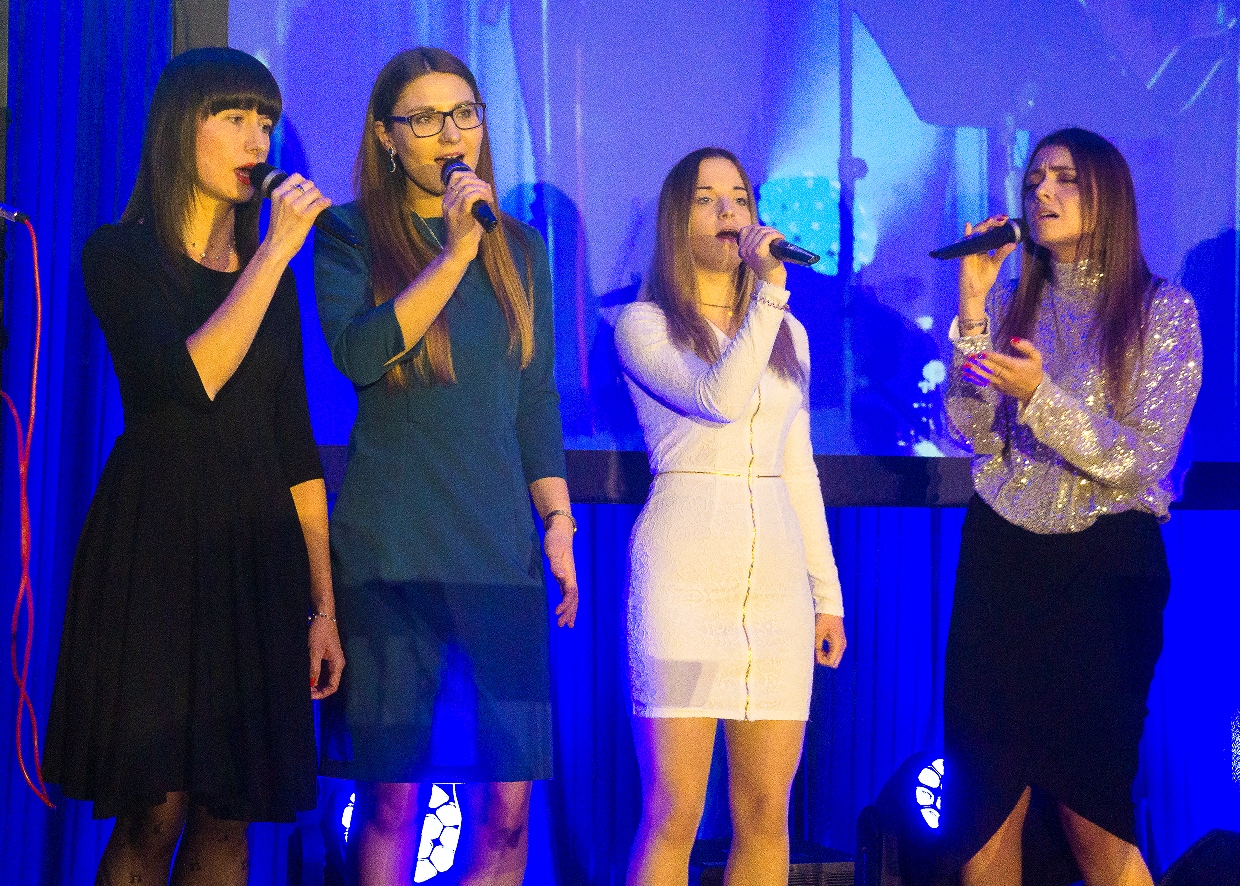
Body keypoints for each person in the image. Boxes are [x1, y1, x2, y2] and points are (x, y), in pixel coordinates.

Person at [43, 47, 344, 885]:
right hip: (157, 546)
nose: (257, 141)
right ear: (183, 128)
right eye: (235, 118)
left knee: (229, 815)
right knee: (155, 809)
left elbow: (296, 447)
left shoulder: (271, 278)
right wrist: (273, 255)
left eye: (266, 122)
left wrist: (323, 605)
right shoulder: (119, 256)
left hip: (255, 551)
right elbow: (189, 378)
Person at [313, 48, 578, 886]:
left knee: (508, 808)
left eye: (464, 113)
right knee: (394, 801)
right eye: (424, 119)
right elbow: (359, 354)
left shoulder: (520, 249)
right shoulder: (349, 234)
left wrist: (558, 521)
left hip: (498, 552)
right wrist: (455, 255)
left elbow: (534, 400)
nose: (449, 134)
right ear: (387, 137)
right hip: (391, 551)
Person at [944, 127, 1202, 886]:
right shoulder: (1014, 304)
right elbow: (970, 431)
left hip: (1104, 569)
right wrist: (972, 310)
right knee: (982, 809)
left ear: (1106, 196)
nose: (1042, 194)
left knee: (1093, 810)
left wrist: (1041, 398)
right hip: (1001, 559)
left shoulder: (1163, 310)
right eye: (1033, 182)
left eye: (1063, 179)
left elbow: (1142, 460)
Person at [614, 147, 846, 886]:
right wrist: (770, 295)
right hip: (684, 580)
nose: (728, 211)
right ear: (674, 220)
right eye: (706, 198)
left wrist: (827, 595)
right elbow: (718, 399)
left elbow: (798, 467)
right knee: (675, 810)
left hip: (776, 586)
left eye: (739, 197)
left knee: (767, 811)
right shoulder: (643, 323)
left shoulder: (789, 335)